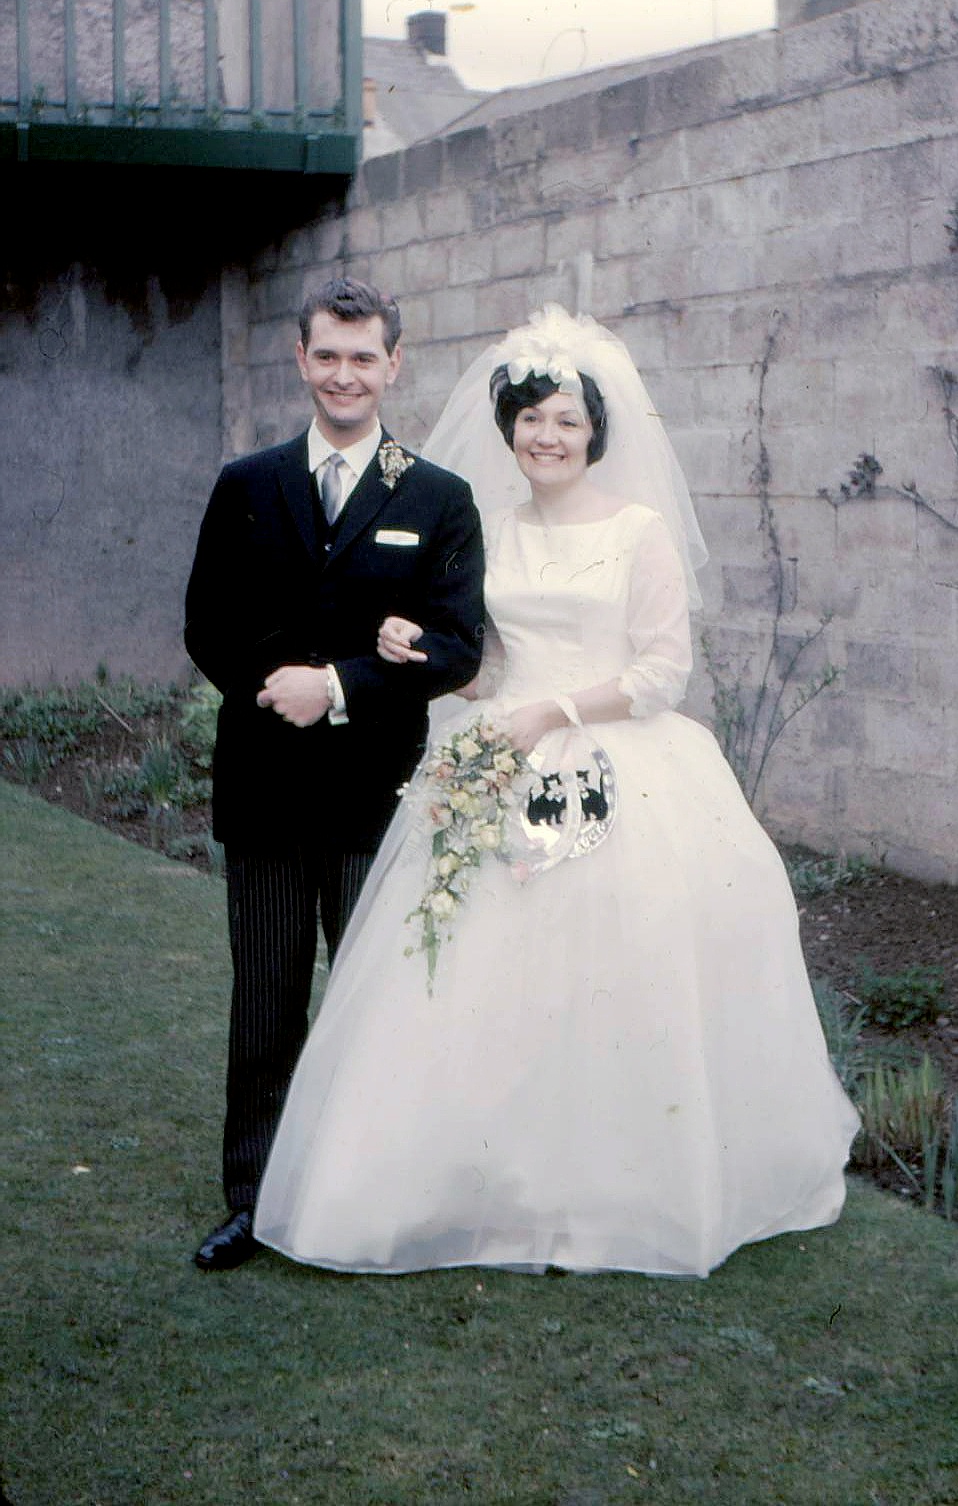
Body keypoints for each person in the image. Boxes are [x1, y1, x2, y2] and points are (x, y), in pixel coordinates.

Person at [254, 304, 859, 1277]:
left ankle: (612, 1188)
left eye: (567, 421)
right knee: (469, 977)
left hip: (622, 761)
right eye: (531, 418)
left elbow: (663, 671)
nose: (547, 436)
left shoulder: (639, 532)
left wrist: (557, 712)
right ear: (510, 428)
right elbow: (487, 665)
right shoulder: (490, 529)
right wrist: (420, 653)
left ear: (595, 433)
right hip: (498, 751)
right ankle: (479, 1183)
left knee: (612, 974)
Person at [184, 277, 485, 1271]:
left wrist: (344, 686)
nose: (345, 374)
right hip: (266, 788)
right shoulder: (248, 482)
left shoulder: (438, 495)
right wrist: (282, 686)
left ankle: (370, 1199)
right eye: (328, 355)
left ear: (394, 364)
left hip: (373, 798)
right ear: (300, 359)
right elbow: (208, 622)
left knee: (375, 1008)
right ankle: (255, 1201)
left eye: (364, 357)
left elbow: (456, 647)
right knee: (266, 1005)